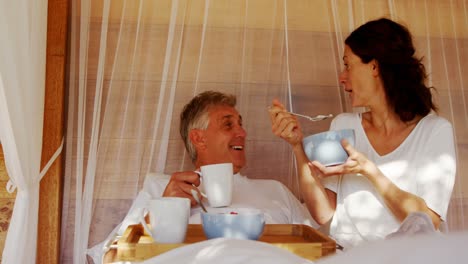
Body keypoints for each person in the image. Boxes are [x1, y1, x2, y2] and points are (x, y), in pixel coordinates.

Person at [268, 18, 456, 249]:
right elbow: (324, 214)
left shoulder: (434, 131)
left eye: (348, 64)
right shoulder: (343, 126)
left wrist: (369, 170)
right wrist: (297, 147)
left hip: (409, 257)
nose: (341, 77)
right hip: (348, 256)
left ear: (374, 67)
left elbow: (429, 221)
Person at [91, 90, 315, 263]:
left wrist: (297, 147)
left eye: (241, 124)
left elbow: (324, 247)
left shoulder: (275, 190)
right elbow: (111, 259)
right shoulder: (162, 189)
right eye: (228, 124)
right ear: (198, 139)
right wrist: (161, 211)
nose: (242, 133)